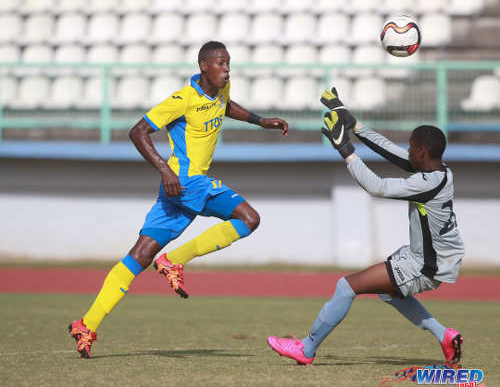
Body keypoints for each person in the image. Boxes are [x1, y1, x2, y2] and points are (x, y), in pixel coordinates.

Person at [69, 41, 288, 358]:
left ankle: (86, 324)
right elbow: (138, 131)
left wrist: (260, 120)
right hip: (186, 181)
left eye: (228, 64)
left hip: (178, 190)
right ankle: (174, 260)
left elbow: (225, 106)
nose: (227, 70)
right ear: (204, 66)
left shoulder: (220, 90)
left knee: (139, 255)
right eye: (222, 64)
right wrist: (164, 170)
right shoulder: (182, 99)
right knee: (248, 219)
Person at [267, 87, 465, 366]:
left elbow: (378, 187)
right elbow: (393, 154)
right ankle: (444, 336)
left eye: (411, 147)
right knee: (388, 291)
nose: (407, 151)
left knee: (346, 286)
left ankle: (306, 349)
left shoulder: (425, 184)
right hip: (432, 258)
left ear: (420, 152)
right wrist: (354, 125)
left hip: (425, 264)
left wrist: (345, 150)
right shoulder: (441, 172)